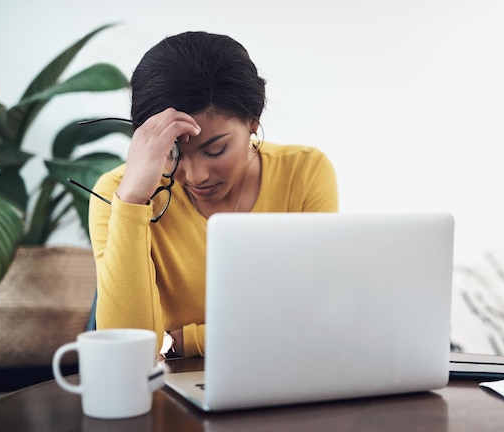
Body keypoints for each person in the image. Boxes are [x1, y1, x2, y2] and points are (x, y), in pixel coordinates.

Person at [87, 31, 338, 358]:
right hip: (170, 393)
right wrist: (132, 202)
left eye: (216, 149)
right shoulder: (117, 193)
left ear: (252, 122)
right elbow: (125, 354)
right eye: (172, 153)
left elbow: (317, 320)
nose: (195, 175)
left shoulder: (303, 172)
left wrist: (186, 341)